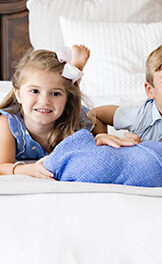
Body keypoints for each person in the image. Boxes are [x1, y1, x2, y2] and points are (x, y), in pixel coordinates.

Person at [0, 46, 104, 178]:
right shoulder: (8, 123)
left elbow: (98, 127)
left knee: (94, 115)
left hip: (79, 113)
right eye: (34, 91)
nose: (44, 101)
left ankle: (75, 73)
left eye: (55, 93)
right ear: (19, 95)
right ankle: (75, 70)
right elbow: (2, 166)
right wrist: (30, 170)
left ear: (67, 99)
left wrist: (101, 136)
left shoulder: (74, 120)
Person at [42, 129, 162, 186]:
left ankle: (59, 167)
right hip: (108, 152)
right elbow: (142, 147)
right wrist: (138, 143)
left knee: (96, 168)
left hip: (104, 171)